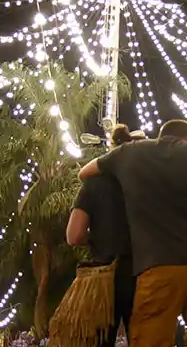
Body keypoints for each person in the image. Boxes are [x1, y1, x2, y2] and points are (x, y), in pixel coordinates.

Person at [79, 119, 187, 347]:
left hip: (159, 265)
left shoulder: (129, 152)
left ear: (160, 136)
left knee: (151, 339)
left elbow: (85, 173)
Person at [50, 125, 143, 347]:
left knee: (98, 340)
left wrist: (97, 238)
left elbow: (74, 235)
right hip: (144, 276)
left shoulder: (93, 184)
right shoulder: (148, 185)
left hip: (102, 280)